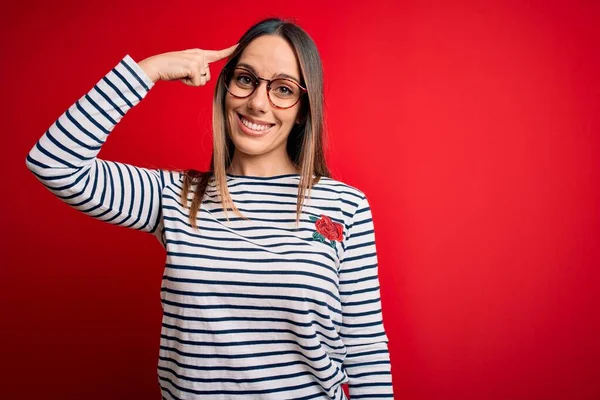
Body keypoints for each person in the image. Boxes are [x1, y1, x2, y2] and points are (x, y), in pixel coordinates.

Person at [26, 17, 393, 400]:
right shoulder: (172, 196)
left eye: (283, 89)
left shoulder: (344, 206)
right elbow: (54, 163)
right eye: (246, 79)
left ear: (303, 109)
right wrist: (146, 71)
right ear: (225, 87)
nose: (257, 102)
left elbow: (366, 349)